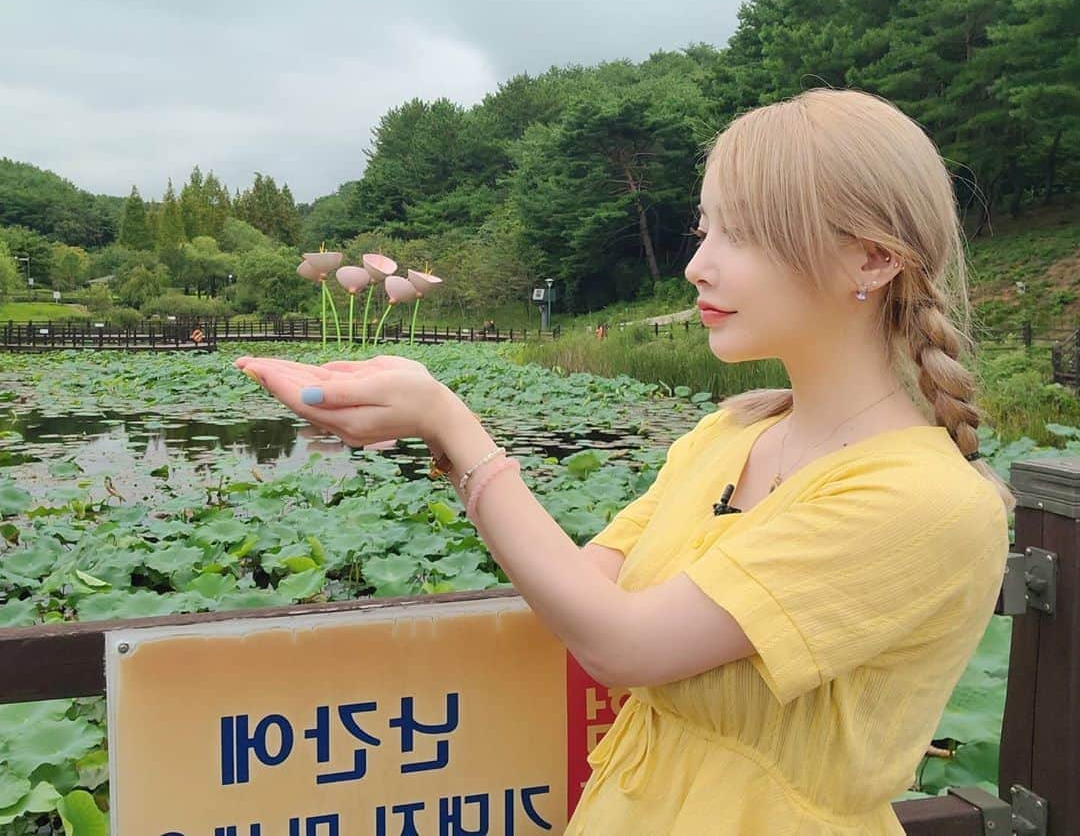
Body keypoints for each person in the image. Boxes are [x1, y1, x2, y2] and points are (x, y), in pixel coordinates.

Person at [233, 87, 1013, 835]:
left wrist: (451, 420)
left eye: (739, 234)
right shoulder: (730, 432)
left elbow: (622, 643)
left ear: (872, 260)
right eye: (704, 230)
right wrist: (434, 427)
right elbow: (586, 588)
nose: (697, 266)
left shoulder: (926, 500)